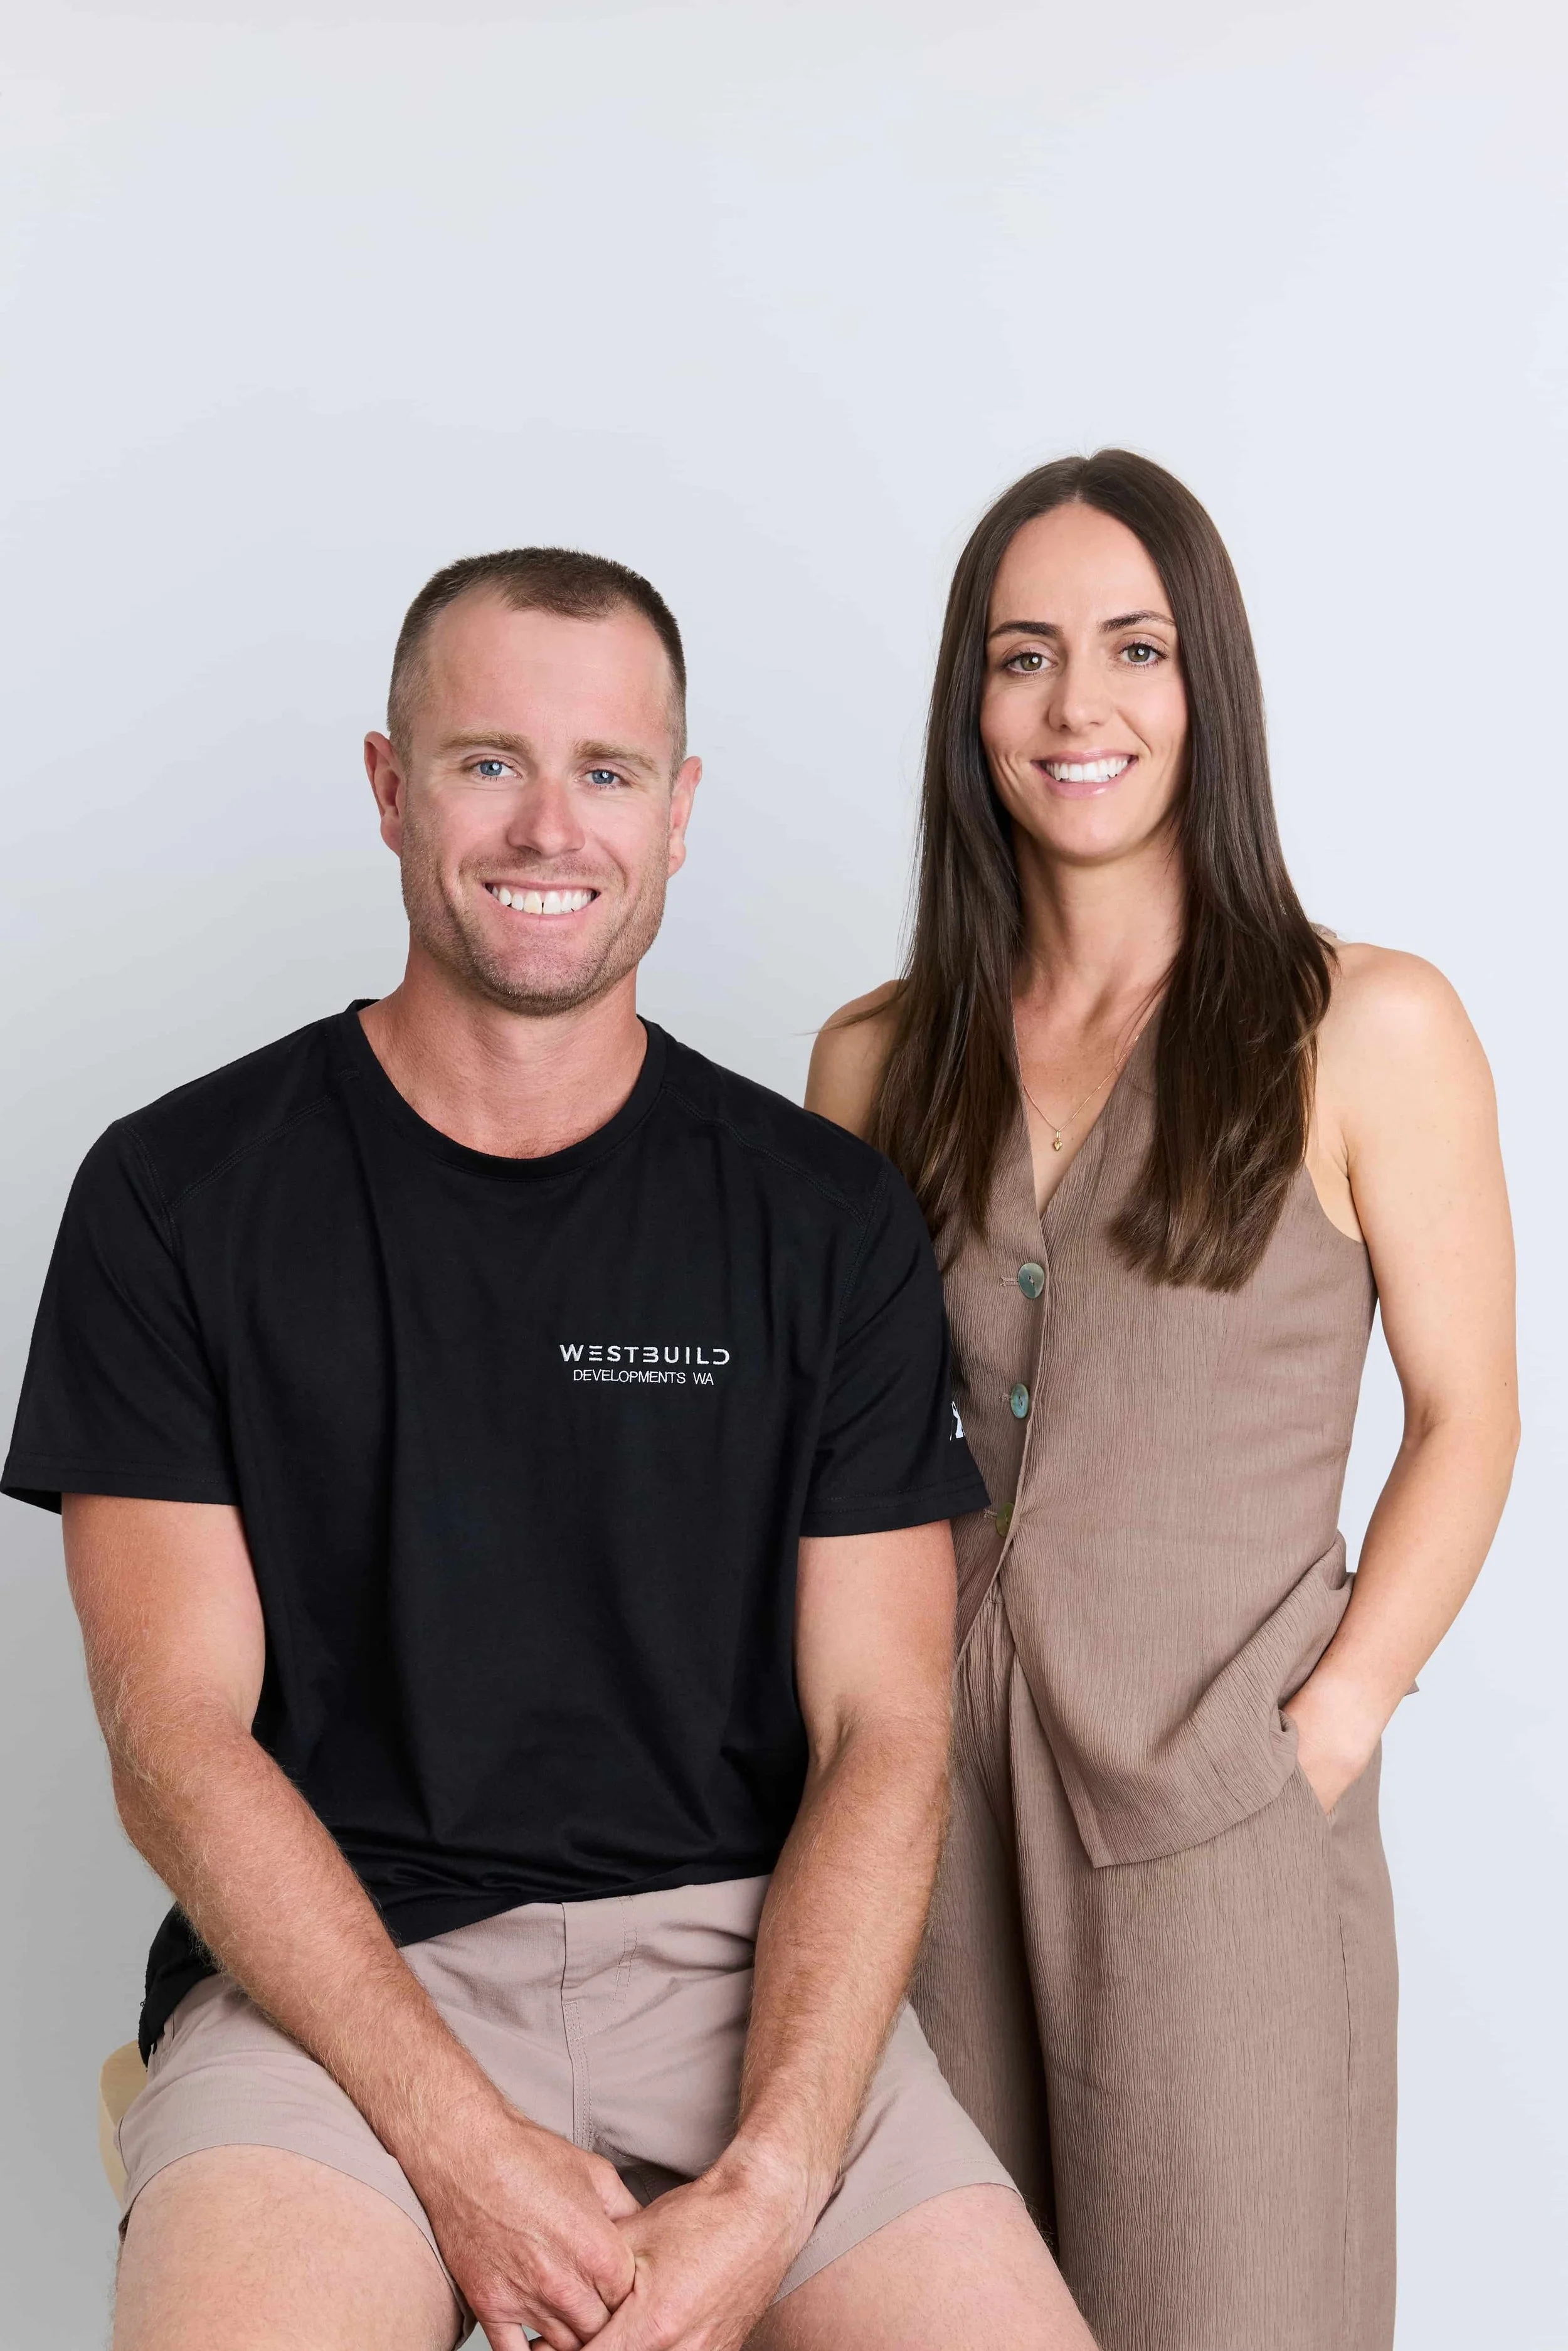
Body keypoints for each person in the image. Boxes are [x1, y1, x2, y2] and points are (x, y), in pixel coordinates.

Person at [2, 548, 1099, 2351]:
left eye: (606, 771)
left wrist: (774, 2180)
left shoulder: (823, 1222)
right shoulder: (176, 1195)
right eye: (486, 761)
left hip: (749, 1982)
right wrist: (459, 2145)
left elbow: (881, 1732)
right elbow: (173, 1742)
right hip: (340, 1996)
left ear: (678, 812)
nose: (548, 827)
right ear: (389, 787)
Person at [807, 452, 1518, 2351]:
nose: (1077, 707)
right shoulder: (874, 1060)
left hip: (1223, 1819)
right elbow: (826, 1460)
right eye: (1022, 655)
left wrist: (1327, 1730)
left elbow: (1469, 1415)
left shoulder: (1365, 1025)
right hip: (917, 1829)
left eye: (1134, 649)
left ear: (1209, 681)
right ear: (970, 702)